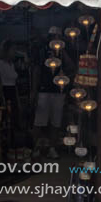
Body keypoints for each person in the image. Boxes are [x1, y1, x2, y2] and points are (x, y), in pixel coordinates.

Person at [32, 26, 73, 160]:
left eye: (58, 37)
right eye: (53, 37)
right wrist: (34, 90)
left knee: (56, 121)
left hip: (58, 91)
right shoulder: (43, 51)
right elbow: (37, 70)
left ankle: (52, 148)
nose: (55, 40)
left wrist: (63, 52)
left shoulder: (63, 52)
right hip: (44, 90)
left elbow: (71, 66)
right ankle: (36, 148)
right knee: (40, 121)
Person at [0, 40, 21, 146]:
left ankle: (13, 140)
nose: (14, 52)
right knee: (7, 115)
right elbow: (11, 76)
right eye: (13, 50)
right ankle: (7, 140)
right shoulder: (1, 64)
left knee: (14, 114)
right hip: (5, 90)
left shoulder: (11, 64)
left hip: (12, 89)